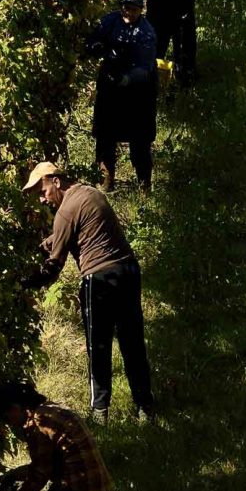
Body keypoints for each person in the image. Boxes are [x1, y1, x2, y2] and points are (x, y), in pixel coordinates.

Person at [25, 161, 154, 419]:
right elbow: (69, 235)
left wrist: (24, 283)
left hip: (100, 279)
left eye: (43, 191)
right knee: (133, 343)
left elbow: (54, 266)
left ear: (56, 181)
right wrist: (40, 246)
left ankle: (99, 411)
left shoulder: (65, 211)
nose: (42, 199)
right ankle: (146, 409)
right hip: (128, 271)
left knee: (99, 346)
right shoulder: (91, 194)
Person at [85, 0, 160, 188]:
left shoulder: (146, 33)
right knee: (105, 135)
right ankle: (106, 182)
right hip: (111, 86)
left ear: (141, 10)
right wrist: (95, 47)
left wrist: (125, 79)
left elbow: (144, 69)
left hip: (139, 91)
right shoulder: (109, 21)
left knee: (140, 139)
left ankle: (144, 185)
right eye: (126, 7)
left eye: (134, 9)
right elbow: (91, 40)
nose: (129, 12)